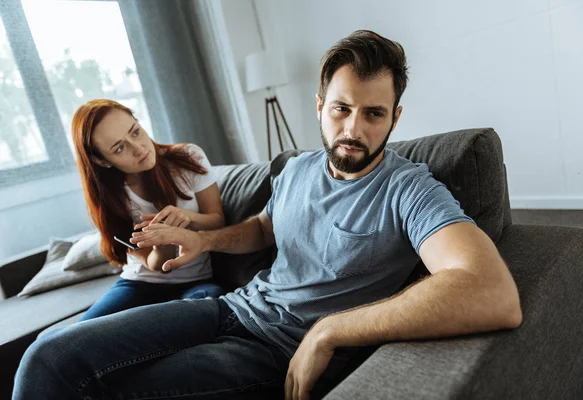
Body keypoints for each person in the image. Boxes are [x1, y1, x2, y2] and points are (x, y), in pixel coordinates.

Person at [13, 31, 521, 400]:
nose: (354, 128)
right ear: (320, 105)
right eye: (342, 109)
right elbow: (261, 230)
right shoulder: (297, 169)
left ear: (395, 118)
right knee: (47, 355)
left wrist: (329, 331)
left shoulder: (407, 189)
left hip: (275, 348)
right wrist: (204, 241)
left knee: (117, 387)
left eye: (374, 114)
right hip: (230, 308)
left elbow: (491, 292)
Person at [71, 99, 225, 321]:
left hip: (197, 281)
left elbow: (217, 220)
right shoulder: (109, 198)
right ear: (102, 161)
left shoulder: (188, 157)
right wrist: (163, 245)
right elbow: (153, 265)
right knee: (78, 334)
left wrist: (187, 217)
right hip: (139, 283)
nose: (139, 148)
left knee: (206, 308)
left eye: (135, 132)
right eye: (120, 148)